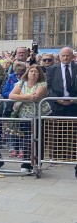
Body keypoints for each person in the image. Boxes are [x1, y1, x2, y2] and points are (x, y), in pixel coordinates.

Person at [8, 64, 49, 174]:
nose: (33, 73)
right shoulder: (21, 83)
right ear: (28, 73)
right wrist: (28, 97)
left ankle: (37, 163)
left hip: (38, 116)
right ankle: (26, 163)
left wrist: (21, 96)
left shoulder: (42, 84)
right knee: (26, 140)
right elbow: (11, 95)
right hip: (24, 116)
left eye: (36, 72)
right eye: (31, 71)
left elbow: (37, 96)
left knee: (38, 139)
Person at [45, 46, 77, 177]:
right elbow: (48, 86)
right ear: (59, 56)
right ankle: (57, 155)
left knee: (72, 131)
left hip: (74, 104)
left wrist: (74, 100)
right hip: (57, 104)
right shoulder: (52, 69)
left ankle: (72, 154)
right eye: (63, 55)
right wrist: (57, 99)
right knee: (57, 129)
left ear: (72, 56)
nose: (65, 58)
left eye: (67, 55)